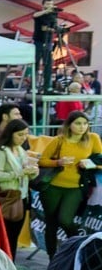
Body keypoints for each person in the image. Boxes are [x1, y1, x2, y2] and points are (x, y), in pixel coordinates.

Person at [39, 111, 102, 258]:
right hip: (52, 187)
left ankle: (77, 248)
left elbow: (100, 160)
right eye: (78, 123)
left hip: (75, 188)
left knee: (65, 220)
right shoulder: (59, 140)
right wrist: (58, 162)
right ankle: (52, 258)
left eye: (85, 124)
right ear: (69, 125)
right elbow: (42, 160)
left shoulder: (93, 138)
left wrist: (89, 164)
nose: (82, 127)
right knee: (51, 223)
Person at [0, 119, 39, 259]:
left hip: (21, 197)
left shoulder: (21, 150)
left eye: (26, 134)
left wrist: (33, 172)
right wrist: (20, 173)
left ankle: (11, 265)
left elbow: (25, 173)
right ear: (10, 134)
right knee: (5, 236)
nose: (24, 138)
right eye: (20, 134)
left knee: (14, 236)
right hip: (7, 197)